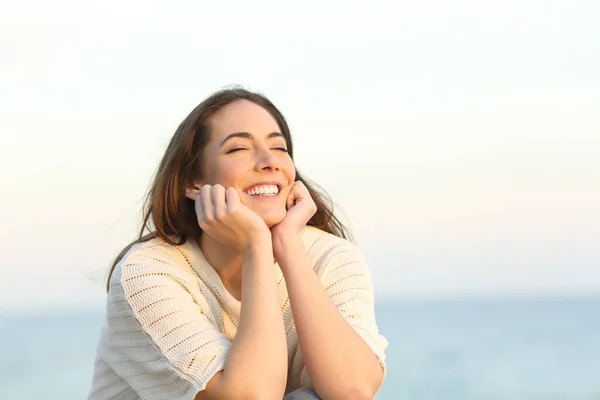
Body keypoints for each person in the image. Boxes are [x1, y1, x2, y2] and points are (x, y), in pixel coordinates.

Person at [88, 87, 388, 400]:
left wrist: (287, 246)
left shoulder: (331, 257)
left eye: (279, 147)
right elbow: (252, 397)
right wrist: (257, 245)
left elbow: (352, 390)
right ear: (193, 182)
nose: (269, 161)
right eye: (238, 149)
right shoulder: (147, 272)